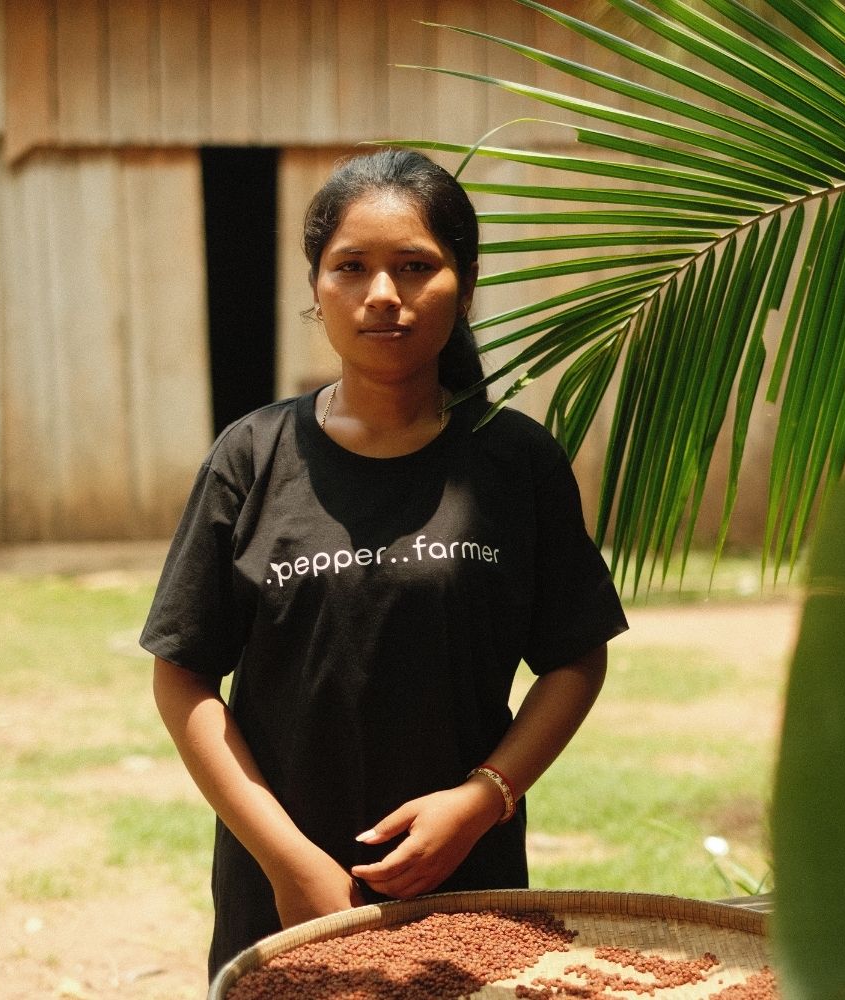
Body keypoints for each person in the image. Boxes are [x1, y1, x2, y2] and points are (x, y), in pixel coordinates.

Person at [141, 148, 628, 980]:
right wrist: (290, 863)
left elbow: (576, 655)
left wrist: (483, 801)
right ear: (316, 287)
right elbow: (183, 676)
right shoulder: (252, 457)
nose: (382, 296)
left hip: (465, 882)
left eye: (415, 267)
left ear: (464, 284)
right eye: (351, 268)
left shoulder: (514, 462)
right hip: (283, 886)